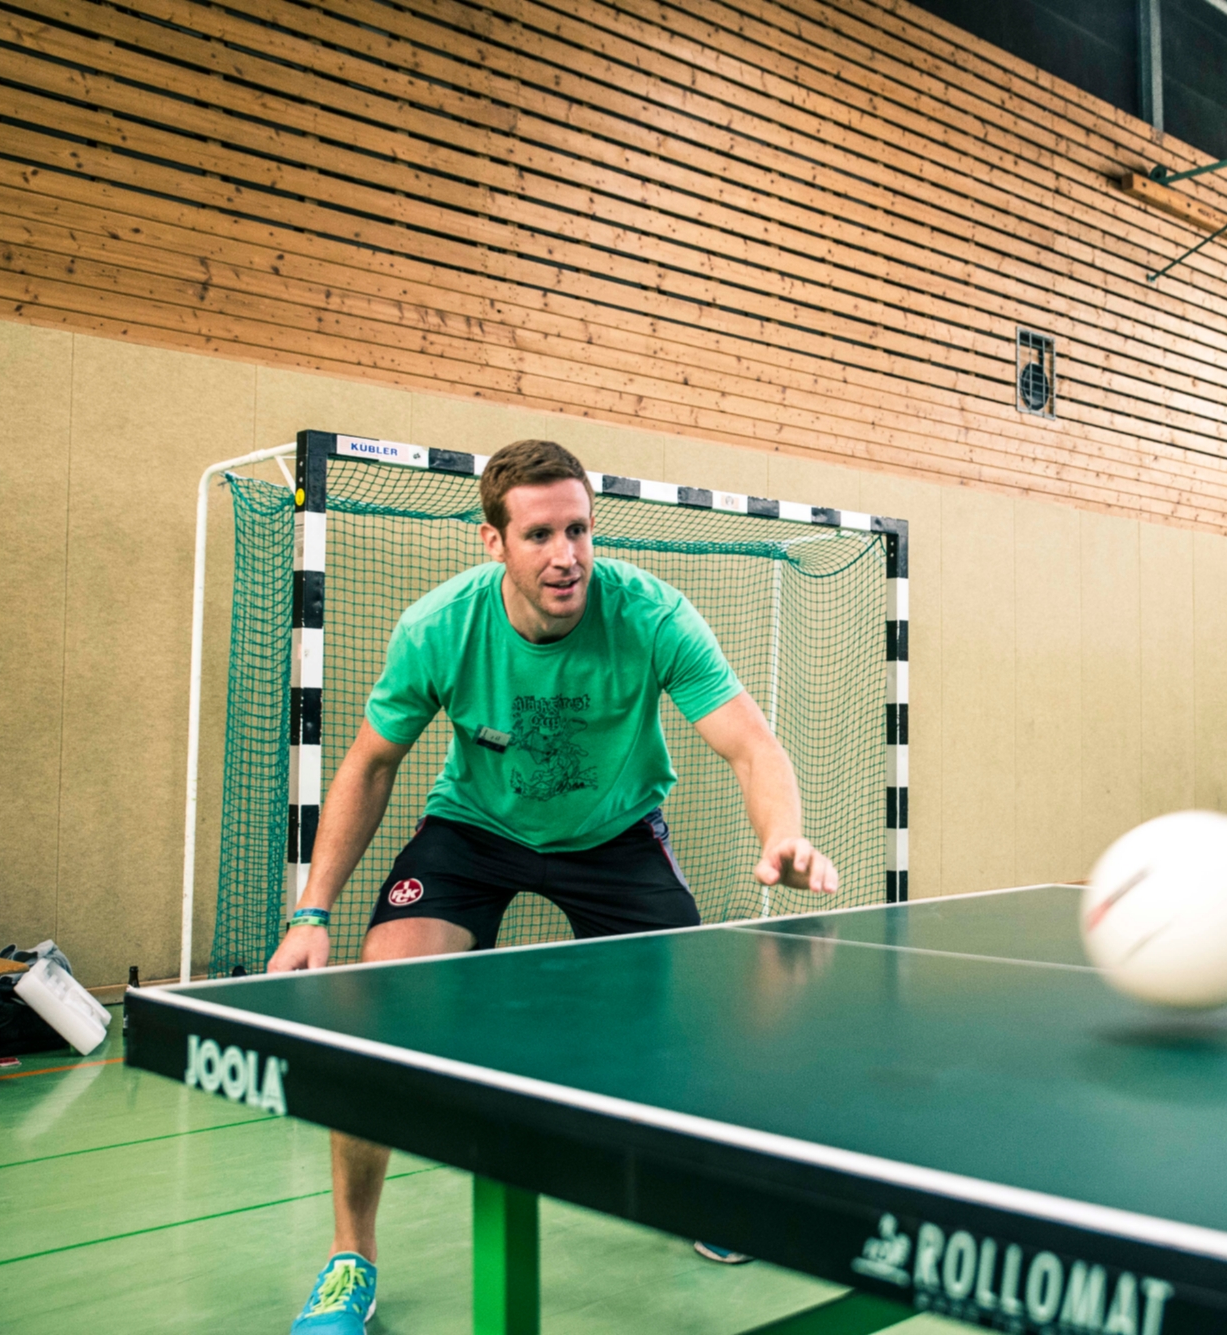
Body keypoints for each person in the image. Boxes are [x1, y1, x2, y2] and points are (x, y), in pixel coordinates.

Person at [267, 439, 838, 1334]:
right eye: (539, 534)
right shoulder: (440, 626)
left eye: (578, 528)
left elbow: (751, 743)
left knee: (690, 1020)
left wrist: (785, 836)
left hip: (614, 836)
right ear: (493, 542)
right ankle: (351, 1257)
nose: (566, 555)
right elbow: (372, 763)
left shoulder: (651, 614)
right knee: (374, 1014)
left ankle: (703, 1192)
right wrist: (312, 911)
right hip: (475, 831)